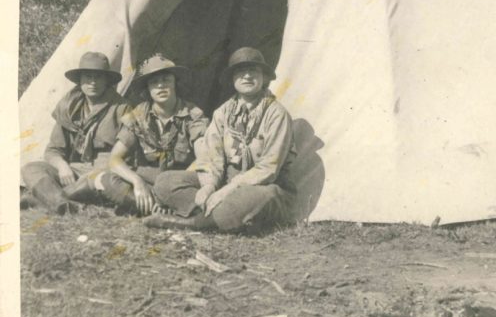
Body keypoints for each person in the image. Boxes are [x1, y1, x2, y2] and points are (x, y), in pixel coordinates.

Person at [145, 47, 297, 232]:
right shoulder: (223, 112)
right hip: (225, 182)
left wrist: (227, 190)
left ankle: (189, 223)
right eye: (241, 71)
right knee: (165, 181)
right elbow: (212, 156)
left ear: (264, 77)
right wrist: (209, 187)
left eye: (253, 71)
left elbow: (268, 169)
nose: (247, 76)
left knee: (255, 197)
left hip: (264, 186)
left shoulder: (277, 114)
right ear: (233, 78)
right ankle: (220, 218)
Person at [21, 51, 129, 214]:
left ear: (107, 80)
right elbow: (53, 150)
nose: (93, 82)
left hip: (102, 173)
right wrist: (63, 166)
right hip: (73, 170)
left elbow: (126, 154)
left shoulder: (122, 108)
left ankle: (46, 199)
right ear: (80, 80)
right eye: (87, 76)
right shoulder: (68, 107)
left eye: (98, 77)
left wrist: (100, 171)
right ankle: (64, 204)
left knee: (103, 182)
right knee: (31, 168)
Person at [100, 54, 207, 216]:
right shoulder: (138, 115)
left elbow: (203, 158)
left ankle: (154, 207)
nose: (161, 86)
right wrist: (138, 182)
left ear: (175, 84)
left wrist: (170, 188)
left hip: (179, 182)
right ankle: (161, 208)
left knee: (175, 186)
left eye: (166, 81)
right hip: (148, 180)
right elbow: (114, 159)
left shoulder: (193, 115)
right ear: (148, 89)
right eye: (154, 83)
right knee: (109, 179)